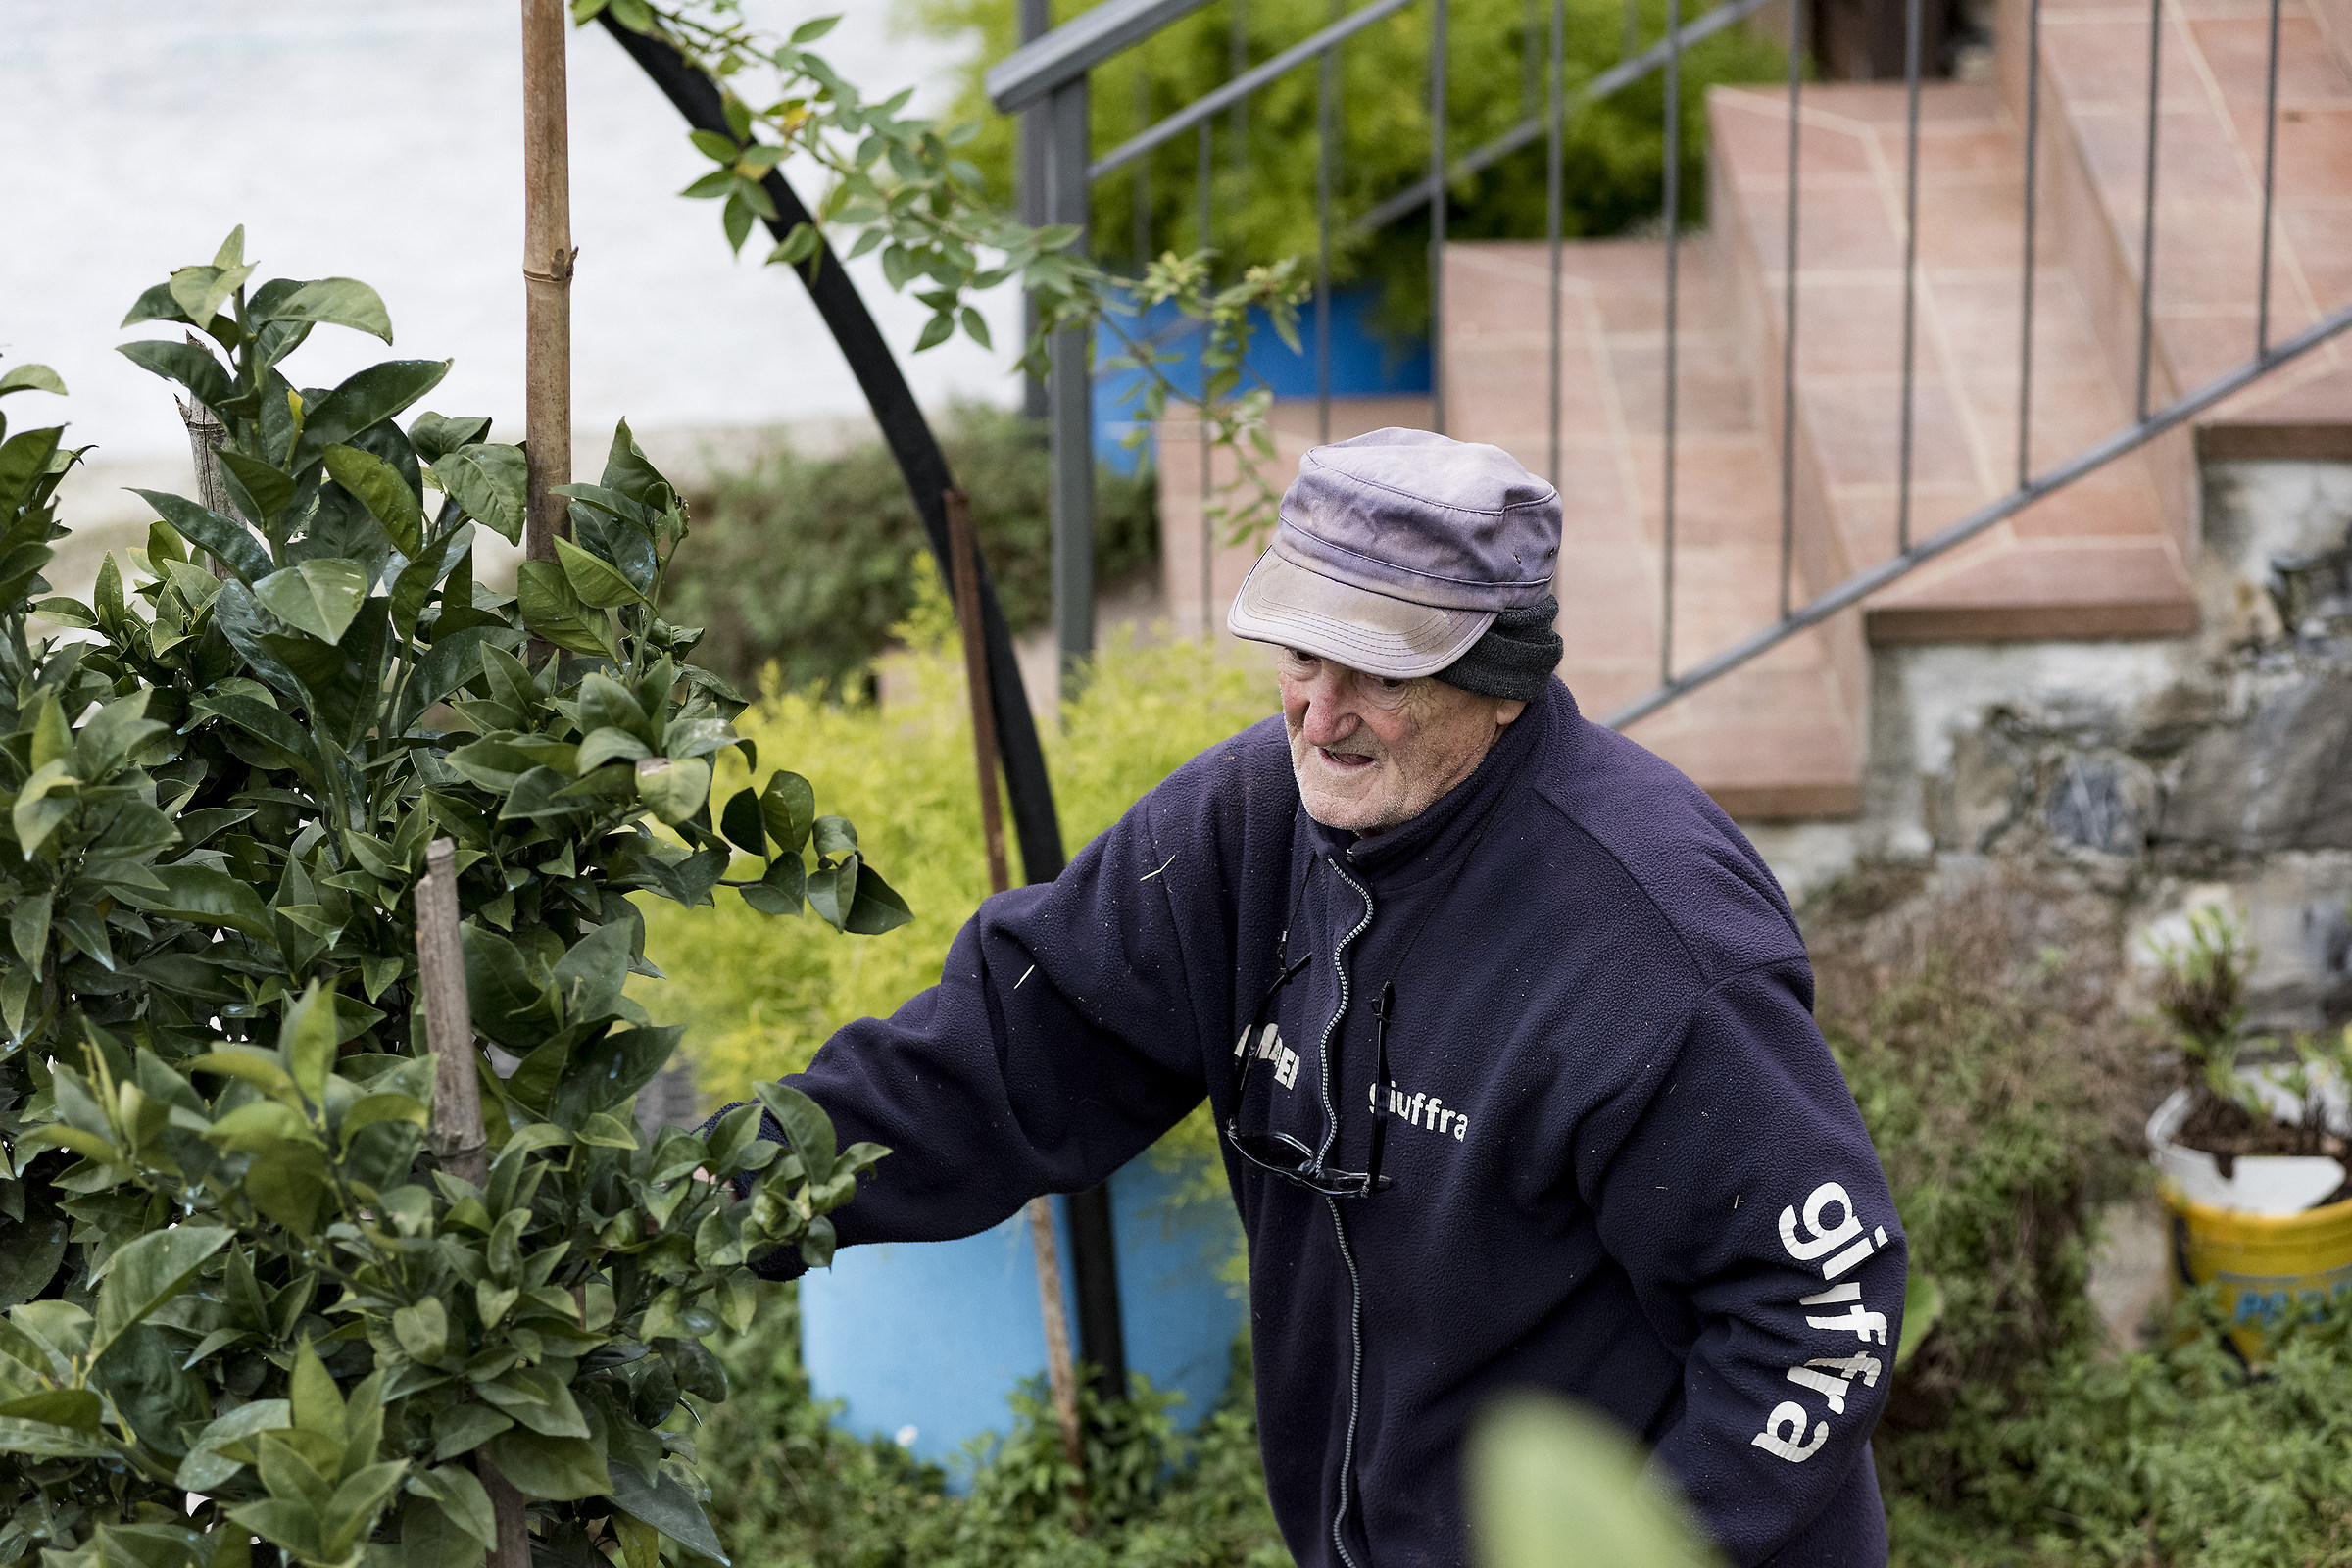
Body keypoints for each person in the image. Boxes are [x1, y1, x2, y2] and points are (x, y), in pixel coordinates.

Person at [732, 428, 1904, 1567]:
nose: (1320, 713)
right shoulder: (1243, 826)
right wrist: (707, 1198)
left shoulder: (1654, 945)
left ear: (1501, 683)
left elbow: (1820, 1311)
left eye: (1380, 672)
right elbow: (1002, 1052)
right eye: (1301, 655)